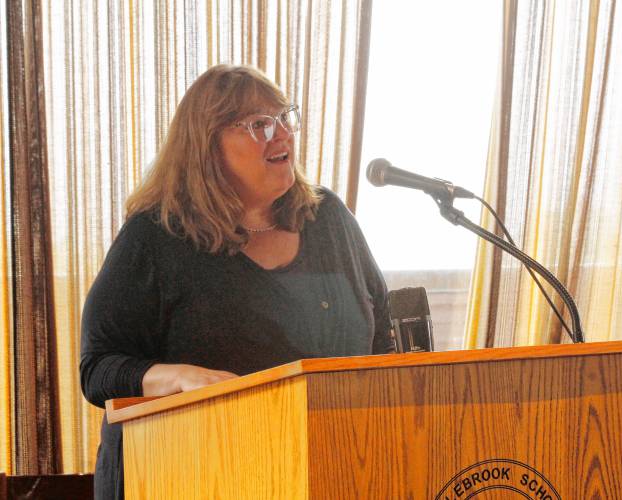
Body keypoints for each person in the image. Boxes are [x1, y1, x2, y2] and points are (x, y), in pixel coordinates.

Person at [79, 64, 394, 500]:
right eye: (260, 125)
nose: (282, 134)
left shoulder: (328, 220)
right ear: (208, 147)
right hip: (186, 473)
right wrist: (182, 377)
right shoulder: (157, 236)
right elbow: (98, 368)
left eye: (285, 117)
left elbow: (383, 340)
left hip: (322, 470)